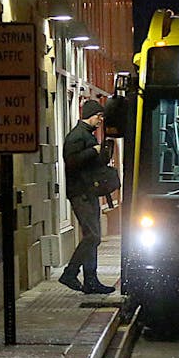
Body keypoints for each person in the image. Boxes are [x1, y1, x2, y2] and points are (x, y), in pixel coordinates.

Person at [60, 99, 116, 294]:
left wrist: (104, 153)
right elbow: (72, 161)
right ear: (90, 115)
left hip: (88, 192)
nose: (101, 120)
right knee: (92, 236)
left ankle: (91, 281)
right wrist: (94, 151)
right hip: (80, 193)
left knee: (92, 237)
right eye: (99, 116)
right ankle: (70, 272)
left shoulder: (87, 135)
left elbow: (93, 164)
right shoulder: (77, 136)